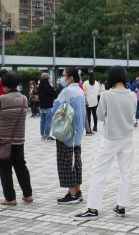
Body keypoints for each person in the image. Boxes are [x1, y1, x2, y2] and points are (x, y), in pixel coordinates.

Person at [74, 65, 137, 221]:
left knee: (98, 171)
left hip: (110, 138)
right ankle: (121, 207)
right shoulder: (132, 95)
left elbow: (100, 116)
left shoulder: (107, 95)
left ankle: (92, 209)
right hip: (128, 137)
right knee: (126, 173)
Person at [0, 71, 33, 206]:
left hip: (3, 139)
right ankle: (28, 194)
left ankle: (10, 198)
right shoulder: (24, 99)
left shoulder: (2, 99)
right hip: (19, 139)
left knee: (5, 169)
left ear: (4, 85)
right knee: (21, 166)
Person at [53, 67, 87, 205]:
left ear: (70, 78)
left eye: (64, 75)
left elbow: (55, 108)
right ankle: (78, 192)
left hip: (66, 132)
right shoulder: (80, 91)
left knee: (66, 164)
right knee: (76, 163)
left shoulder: (67, 91)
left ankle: (72, 194)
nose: (62, 78)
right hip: (77, 133)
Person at [38, 73, 57, 141]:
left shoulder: (39, 87)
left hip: (41, 106)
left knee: (42, 121)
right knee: (48, 121)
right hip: (49, 106)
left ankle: (42, 136)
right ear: (47, 79)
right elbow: (55, 95)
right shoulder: (49, 87)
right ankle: (47, 136)